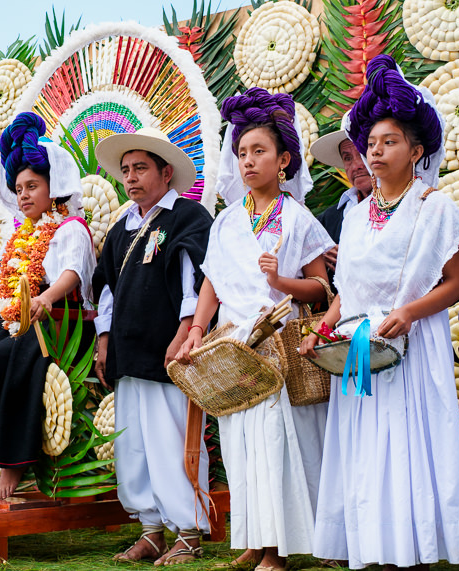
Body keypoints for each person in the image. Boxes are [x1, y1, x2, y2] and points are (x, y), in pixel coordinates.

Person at [300, 54, 459, 571]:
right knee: (367, 451)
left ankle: (413, 551)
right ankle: (376, 551)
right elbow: (345, 289)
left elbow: (457, 282)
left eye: (388, 142)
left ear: (417, 150)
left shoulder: (435, 207)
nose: (374, 151)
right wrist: (321, 330)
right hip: (360, 349)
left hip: (413, 345)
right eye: (370, 144)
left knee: (407, 445)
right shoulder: (354, 217)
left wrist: (410, 312)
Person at [176, 88, 334, 571]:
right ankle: (255, 536)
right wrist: (197, 331)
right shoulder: (225, 221)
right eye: (241, 152)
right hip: (233, 345)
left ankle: (278, 549)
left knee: (276, 445)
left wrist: (279, 281)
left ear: (284, 159)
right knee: (241, 444)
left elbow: (321, 287)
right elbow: (212, 282)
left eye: (259, 151)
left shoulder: (298, 217)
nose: (248, 161)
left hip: (278, 344)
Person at [0, 112, 96, 501]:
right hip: (16, 319)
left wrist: (44, 298)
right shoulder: (18, 234)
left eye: (32, 186)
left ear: (53, 187)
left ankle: (10, 465)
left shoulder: (70, 227)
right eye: (19, 188)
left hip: (58, 321)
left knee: (2, 360)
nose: (23, 195)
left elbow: (72, 275)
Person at [92, 127, 213, 566]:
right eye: (125, 170)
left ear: (166, 173)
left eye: (140, 168)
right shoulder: (123, 225)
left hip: (169, 350)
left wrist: (183, 335)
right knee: (136, 445)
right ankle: (151, 529)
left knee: (172, 440)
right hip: (128, 352)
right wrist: (104, 340)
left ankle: (189, 530)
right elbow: (104, 287)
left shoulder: (187, 217)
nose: (131, 178)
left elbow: (194, 282)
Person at [311, 127, 374, 278]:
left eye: (361, 154)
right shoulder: (330, 218)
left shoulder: (404, 205)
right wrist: (320, 258)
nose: (356, 165)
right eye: (347, 158)